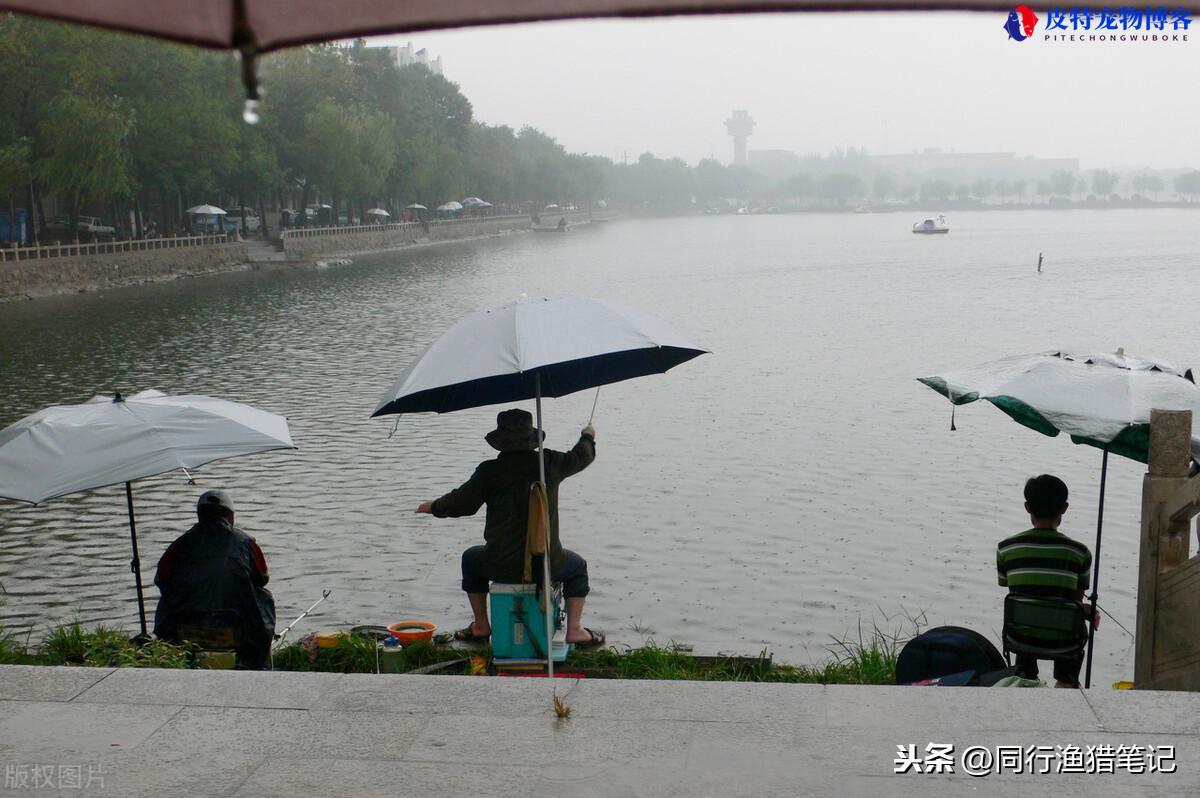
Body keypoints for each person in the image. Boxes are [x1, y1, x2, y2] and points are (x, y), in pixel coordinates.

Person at [417, 408, 605, 647]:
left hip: (499, 564)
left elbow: (462, 503)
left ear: (500, 442)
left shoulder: (489, 471)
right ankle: (576, 630)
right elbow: (581, 457)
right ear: (532, 438)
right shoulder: (549, 463)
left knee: (471, 559)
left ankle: (481, 626)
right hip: (545, 564)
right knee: (577, 568)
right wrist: (587, 436)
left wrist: (434, 507)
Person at [154, 490, 276, 668]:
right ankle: (257, 660)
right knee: (264, 596)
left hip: (184, 630)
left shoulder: (179, 544)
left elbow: (161, 581)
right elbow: (262, 578)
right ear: (231, 517)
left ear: (199, 516)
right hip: (238, 630)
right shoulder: (247, 542)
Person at [996, 474, 1098, 688]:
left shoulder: (1006, 548)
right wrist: (1087, 610)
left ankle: (1026, 676)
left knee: (1027, 616)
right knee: (1071, 621)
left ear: (1027, 507)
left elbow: (1015, 589)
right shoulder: (1080, 553)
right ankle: (1066, 682)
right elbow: (1075, 601)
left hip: (1020, 638)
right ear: (1064, 508)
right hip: (1065, 642)